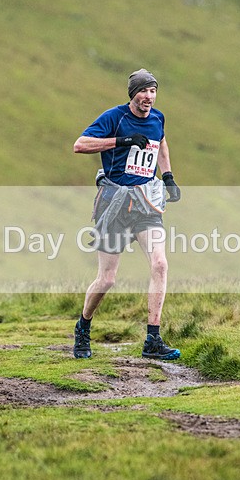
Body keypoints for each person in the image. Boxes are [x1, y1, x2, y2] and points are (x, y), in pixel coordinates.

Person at [72, 68, 182, 360]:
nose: (149, 97)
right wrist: (120, 141)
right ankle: (83, 327)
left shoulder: (158, 118)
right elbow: (80, 145)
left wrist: (168, 175)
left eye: (153, 91)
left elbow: (161, 142)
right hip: (114, 204)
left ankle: (153, 340)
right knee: (107, 279)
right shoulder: (114, 117)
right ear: (132, 93)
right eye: (143, 91)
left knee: (160, 264)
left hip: (146, 203)